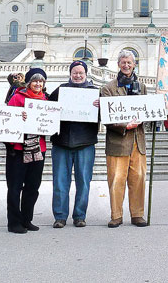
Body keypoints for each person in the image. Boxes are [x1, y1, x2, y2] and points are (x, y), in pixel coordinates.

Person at [48, 60, 100, 228]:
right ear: (70, 74)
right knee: (60, 181)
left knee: (83, 181)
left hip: (85, 143)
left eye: (81, 73)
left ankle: (79, 215)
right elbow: (47, 110)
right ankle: (60, 216)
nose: (78, 75)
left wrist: (100, 108)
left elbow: (104, 116)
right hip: (61, 142)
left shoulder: (95, 92)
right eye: (75, 73)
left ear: (86, 74)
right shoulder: (60, 90)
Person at [100, 50, 149, 228]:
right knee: (116, 180)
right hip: (118, 141)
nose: (126, 65)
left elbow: (147, 110)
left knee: (138, 179)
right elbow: (106, 116)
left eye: (129, 62)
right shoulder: (108, 88)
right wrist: (123, 126)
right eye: (123, 62)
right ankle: (116, 215)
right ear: (118, 65)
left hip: (138, 141)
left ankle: (137, 214)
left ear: (134, 64)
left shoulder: (142, 87)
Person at [5, 67, 48, 233]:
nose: (38, 83)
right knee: (15, 186)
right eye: (35, 81)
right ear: (29, 83)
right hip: (18, 149)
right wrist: (18, 116)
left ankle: (27, 218)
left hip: (38, 148)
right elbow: (7, 120)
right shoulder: (16, 98)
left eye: (41, 81)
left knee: (32, 186)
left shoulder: (46, 100)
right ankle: (14, 222)